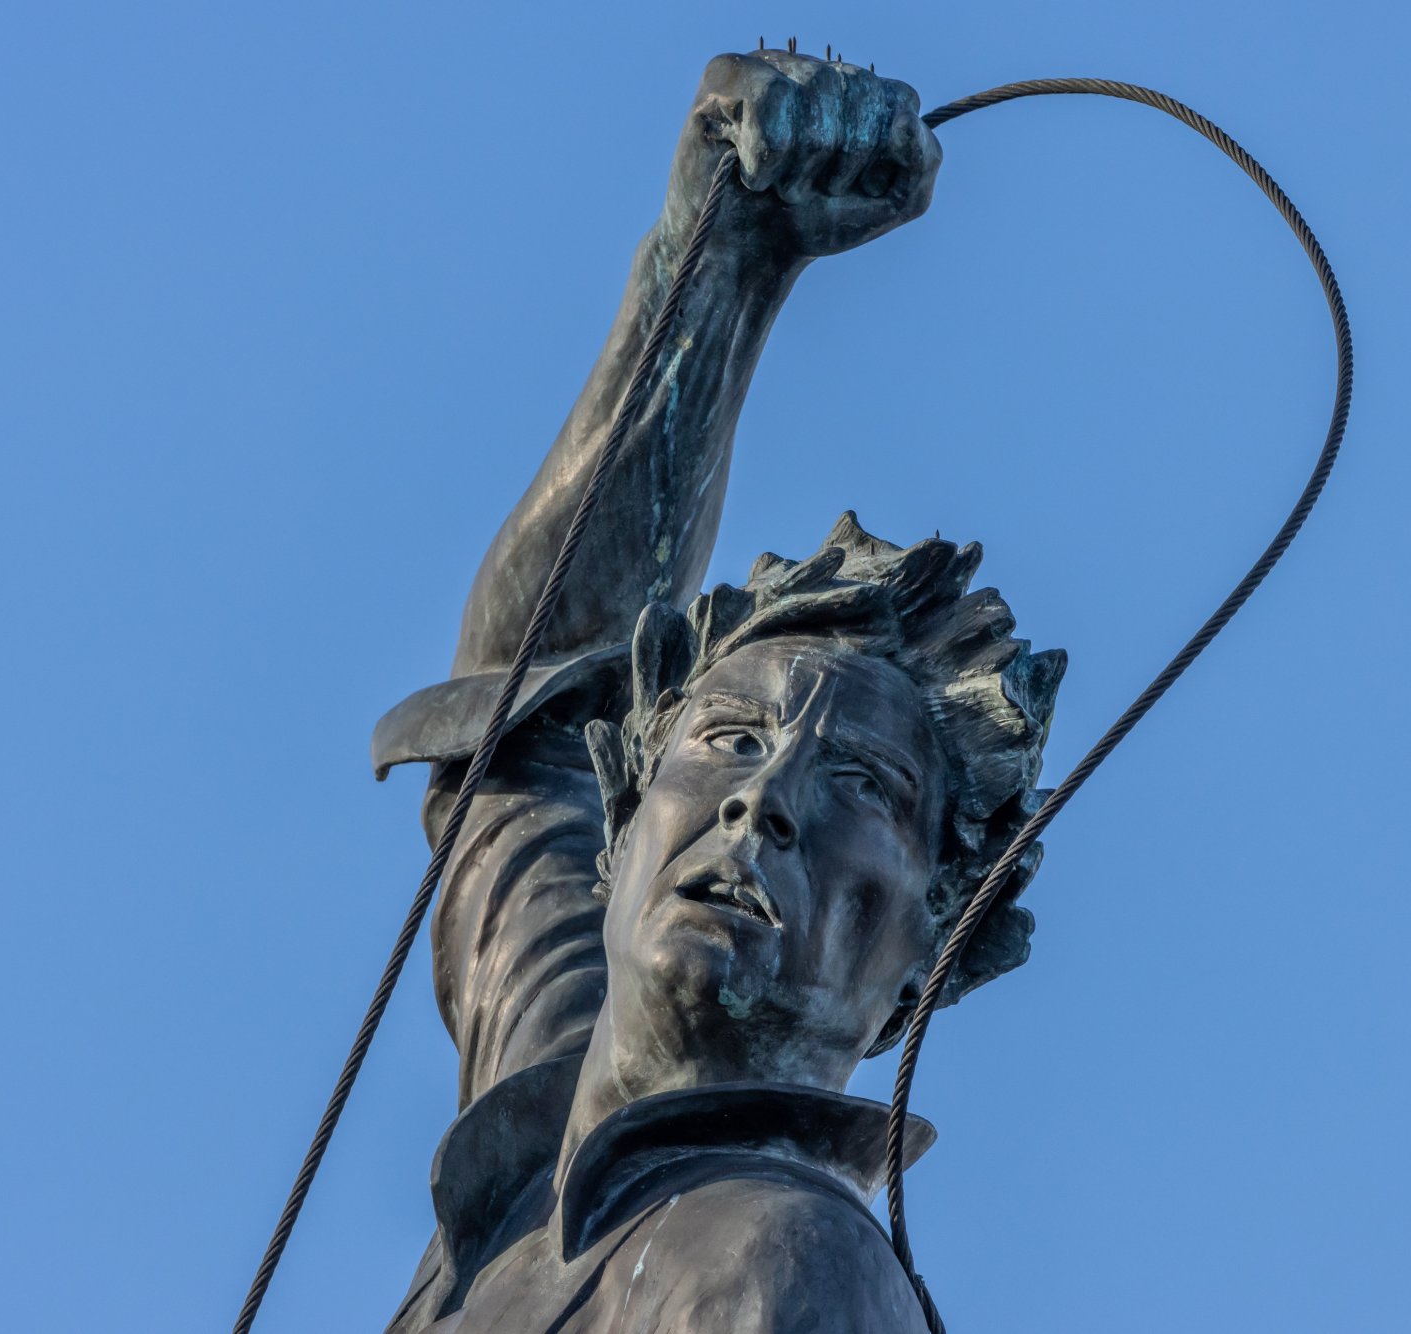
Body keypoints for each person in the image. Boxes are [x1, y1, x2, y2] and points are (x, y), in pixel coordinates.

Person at [372, 49, 1063, 1333]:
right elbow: (522, 716)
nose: (758, 804)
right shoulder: (530, 1154)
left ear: (929, 951)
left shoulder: (784, 1261)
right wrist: (719, 260)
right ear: (620, 824)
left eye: (859, 781)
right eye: (728, 736)